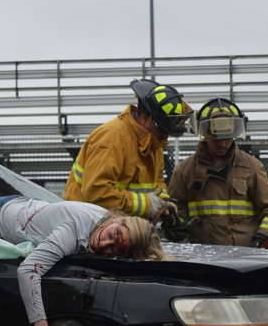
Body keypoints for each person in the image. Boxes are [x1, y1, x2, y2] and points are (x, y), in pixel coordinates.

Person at [0, 196, 165, 326]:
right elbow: (28, 271)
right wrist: (41, 325)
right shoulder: (71, 232)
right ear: (118, 221)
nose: (103, 244)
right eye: (111, 236)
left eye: (114, 250)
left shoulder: (105, 219)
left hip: (17, 207)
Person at [64, 78, 191, 221]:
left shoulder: (153, 142)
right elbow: (97, 193)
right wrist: (148, 205)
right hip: (86, 225)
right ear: (144, 118)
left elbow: (157, 181)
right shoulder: (111, 139)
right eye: (162, 129)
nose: (165, 136)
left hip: (119, 226)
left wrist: (163, 205)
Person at [166, 98, 268, 246]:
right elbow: (175, 209)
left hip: (243, 255)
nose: (222, 144)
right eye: (216, 140)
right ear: (205, 135)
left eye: (227, 139)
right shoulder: (185, 170)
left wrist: (263, 235)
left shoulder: (252, 167)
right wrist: (176, 227)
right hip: (202, 256)